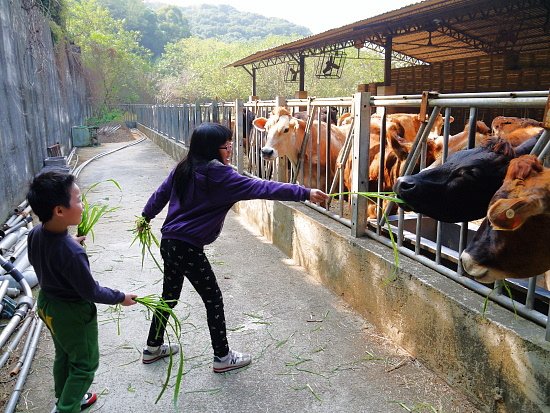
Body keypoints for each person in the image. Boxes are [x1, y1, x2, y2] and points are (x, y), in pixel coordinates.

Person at [139, 122, 329, 372]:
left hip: (170, 242)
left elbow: (160, 194)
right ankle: (222, 357)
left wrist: (145, 217)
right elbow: (263, 187)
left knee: (169, 296)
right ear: (211, 149)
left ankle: (153, 347)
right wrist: (303, 192)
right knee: (213, 299)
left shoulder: (184, 168)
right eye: (226, 146)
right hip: (188, 247)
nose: (230, 150)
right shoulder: (221, 176)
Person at [26, 171, 137, 413]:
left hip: (47, 305)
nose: (83, 204)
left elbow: (41, 257)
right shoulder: (72, 253)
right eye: (78, 199)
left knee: (64, 354)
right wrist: (121, 297)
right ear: (59, 211)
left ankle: (63, 399)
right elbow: (91, 291)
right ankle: (68, 408)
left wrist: (69, 243)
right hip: (72, 314)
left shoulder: (36, 233)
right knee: (84, 364)